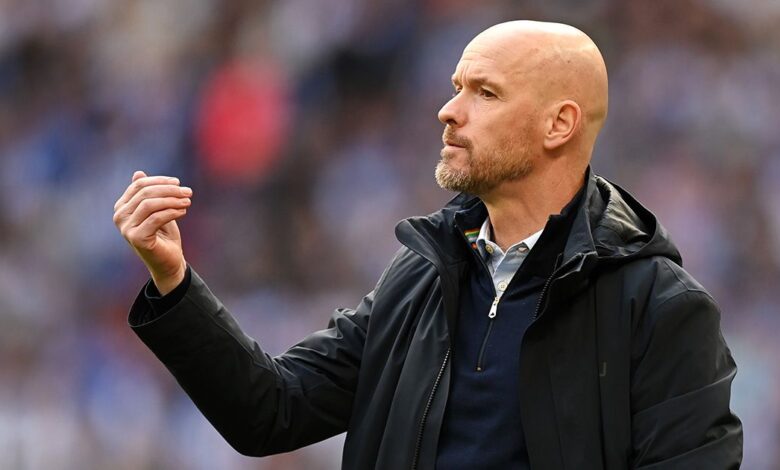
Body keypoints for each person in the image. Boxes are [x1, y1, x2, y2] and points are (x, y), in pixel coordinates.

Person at [113, 21, 743, 469]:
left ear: (560, 124)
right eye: (456, 86)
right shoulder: (421, 276)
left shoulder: (659, 307)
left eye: (485, 93)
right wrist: (174, 281)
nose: (448, 110)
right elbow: (272, 411)